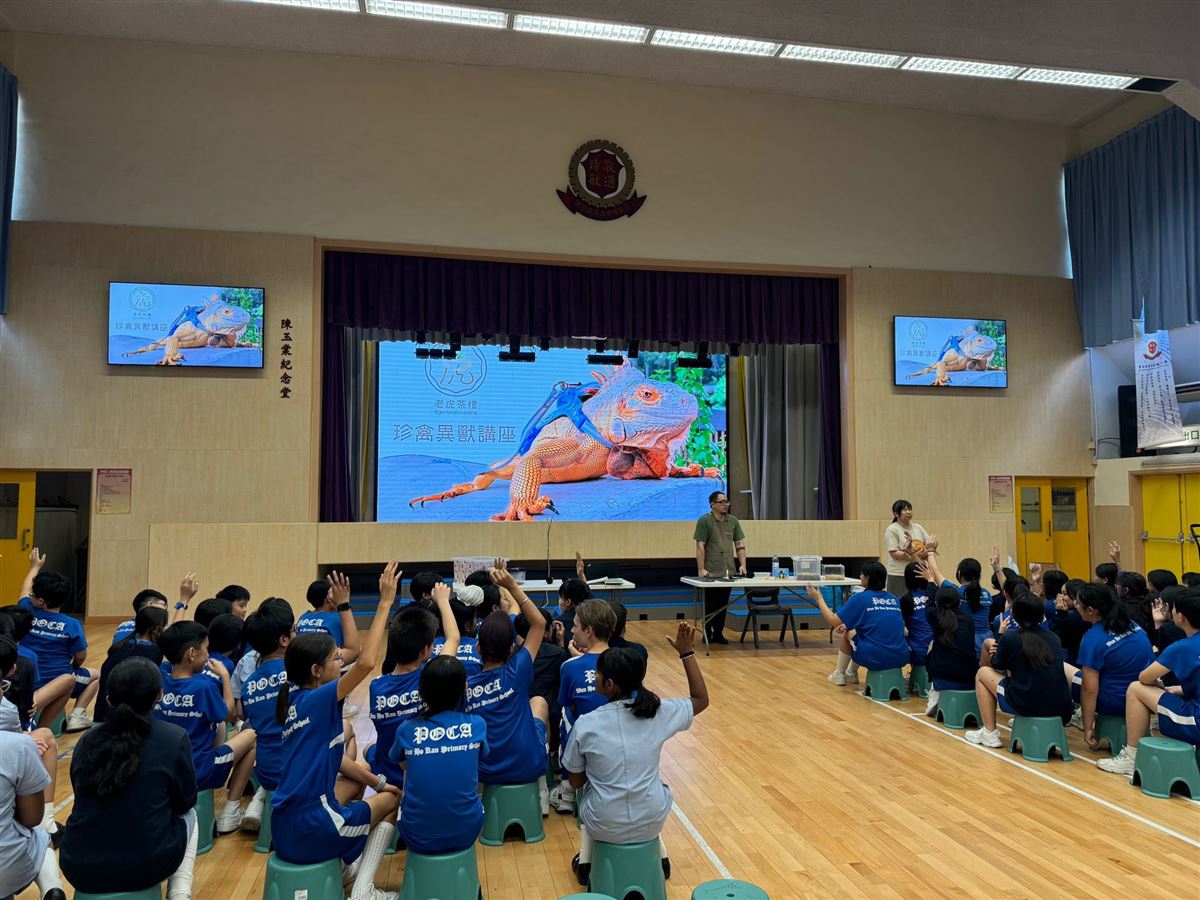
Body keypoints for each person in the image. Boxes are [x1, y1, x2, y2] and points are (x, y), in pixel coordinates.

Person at [271, 564, 402, 900]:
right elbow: (366, 662)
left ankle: (342, 868)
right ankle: (364, 890)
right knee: (392, 801)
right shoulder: (320, 699)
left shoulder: (294, 699)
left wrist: (376, 782)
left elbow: (336, 759)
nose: (341, 662)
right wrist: (385, 602)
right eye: (335, 659)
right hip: (313, 828)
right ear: (316, 670)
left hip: (283, 827)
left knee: (359, 782)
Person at [563, 621, 709, 887]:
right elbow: (701, 700)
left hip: (603, 823)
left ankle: (587, 859)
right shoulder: (658, 711)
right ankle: (658, 856)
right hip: (652, 820)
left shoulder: (587, 724)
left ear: (609, 684)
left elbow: (575, 782)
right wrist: (686, 653)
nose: (594, 676)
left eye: (597, 673)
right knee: (655, 784)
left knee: (587, 789)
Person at [61, 657, 198, 899]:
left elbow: (80, 793)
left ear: (108, 699)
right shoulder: (174, 738)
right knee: (191, 814)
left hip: (79, 866)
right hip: (145, 866)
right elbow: (186, 801)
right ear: (159, 695)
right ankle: (179, 891)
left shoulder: (86, 741)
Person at [155, 621, 257, 835]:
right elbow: (230, 714)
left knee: (215, 724)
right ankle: (231, 808)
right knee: (252, 736)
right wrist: (225, 677)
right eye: (206, 649)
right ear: (192, 654)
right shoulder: (204, 686)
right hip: (198, 770)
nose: (208, 654)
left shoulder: (161, 682)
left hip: (164, 768)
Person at [465, 567, 550, 811]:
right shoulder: (518, 669)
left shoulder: (466, 685)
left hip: (485, 770)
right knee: (539, 703)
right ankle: (542, 792)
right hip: (528, 764)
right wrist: (512, 586)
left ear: (478, 649)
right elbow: (539, 623)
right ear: (512, 649)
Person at [389, 655, 488, 855]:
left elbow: (399, 763)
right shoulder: (477, 724)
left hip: (416, 835)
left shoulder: (406, 729)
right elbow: (481, 758)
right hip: (467, 832)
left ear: (421, 691)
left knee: (408, 765)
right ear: (465, 688)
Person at [367, 582, 458, 796]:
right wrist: (443, 601)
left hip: (389, 772)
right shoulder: (432, 678)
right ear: (425, 651)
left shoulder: (376, 686)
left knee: (368, 748)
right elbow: (453, 638)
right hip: (419, 775)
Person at [1098, 588, 1200, 775]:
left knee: (1136, 689)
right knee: (1170, 691)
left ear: (1181, 617)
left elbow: (1144, 677)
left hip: (1195, 722)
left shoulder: (1182, 647)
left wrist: (1159, 687)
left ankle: (1132, 757)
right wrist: (1180, 689)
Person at [965, 586, 1073, 748]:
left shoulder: (1011, 638)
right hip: (1062, 709)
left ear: (1014, 615)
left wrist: (998, 640)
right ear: (1041, 614)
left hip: (1028, 705)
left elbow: (997, 664)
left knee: (982, 673)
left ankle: (989, 732)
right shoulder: (1053, 637)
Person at [0, 672, 67, 900]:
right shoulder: (19, 745)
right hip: (5, 869)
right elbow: (31, 819)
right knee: (40, 832)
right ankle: (52, 888)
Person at [1063, 584, 1155, 749]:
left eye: (1078, 603)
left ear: (1091, 610)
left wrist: (1088, 727)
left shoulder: (1093, 638)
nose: (1076, 606)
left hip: (1115, 702)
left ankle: (1074, 716)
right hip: (1143, 698)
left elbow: (1089, 689)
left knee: (1062, 667)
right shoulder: (1133, 625)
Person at [18, 566, 99, 733]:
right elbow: (80, 656)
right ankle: (76, 716)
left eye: (32, 594)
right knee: (96, 676)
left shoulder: (26, 610)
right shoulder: (72, 625)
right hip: (53, 681)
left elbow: (24, 589)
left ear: (41, 601)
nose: (29, 595)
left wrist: (35, 566)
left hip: (22, 679)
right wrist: (75, 665)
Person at [237, 602, 296, 833]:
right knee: (345, 732)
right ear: (284, 640)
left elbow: (243, 717)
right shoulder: (299, 672)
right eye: (294, 631)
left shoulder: (248, 685)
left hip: (266, 770)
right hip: (298, 769)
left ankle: (261, 800)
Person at [0, 635, 63, 841]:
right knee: (44, 739)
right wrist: (25, 741)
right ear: (11, 670)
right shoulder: (7, 709)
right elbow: (30, 820)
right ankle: (48, 822)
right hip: (10, 849)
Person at [808, 561, 908, 686]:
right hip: (901, 656)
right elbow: (879, 621)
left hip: (876, 658)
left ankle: (839, 674)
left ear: (868, 578)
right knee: (859, 631)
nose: (860, 576)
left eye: (862, 574)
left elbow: (833, 620)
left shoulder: (860, 598)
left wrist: (818, 597)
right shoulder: (894, 599)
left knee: (848, 632)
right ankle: (851, 673)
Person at [95, 605, 167, 723]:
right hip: (128, 719)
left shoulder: (120, 646)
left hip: (102, 714)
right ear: (157, 629)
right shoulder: (153, 652)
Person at [693, 490, 747, 644]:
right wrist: (701, 569)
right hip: (710, 571)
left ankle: (718, 632)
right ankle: (707, 632)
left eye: (726, 501)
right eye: (721, 502)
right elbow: (700, 546)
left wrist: (743, 565)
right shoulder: (704, 521)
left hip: (728, 570)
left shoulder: (733, 521)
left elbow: (739, 544)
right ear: (712, 504)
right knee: (710, 603)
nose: (725, 504)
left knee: (723, 604)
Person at [923, 585, 979, 716]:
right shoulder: (969, 621)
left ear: (937, 604)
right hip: (970, 678)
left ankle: (934, 692)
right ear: (959, 604)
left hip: (943, 677)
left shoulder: (935, 617)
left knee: (932, 645)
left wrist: (930, 583)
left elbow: (929, 604)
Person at [930, 553, 991, 653]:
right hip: (987, 640)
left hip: (967, 639)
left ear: (959, 573)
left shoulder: (956, 592)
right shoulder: (987, 594)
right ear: (979, 575)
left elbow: (935, 573)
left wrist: (930, 553)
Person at [299, 576, 362, 665]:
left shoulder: (302, 617)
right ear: (328, 598)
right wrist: (344, 604)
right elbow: (352, 651)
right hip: (324, 667)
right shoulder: (336, 619)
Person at [883, 500, 937, 597]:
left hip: (919, 572)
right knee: (899, 600)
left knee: (919, 599)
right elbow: (894, 554)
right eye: (905, 510)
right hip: (899, 573)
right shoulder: (892, 529)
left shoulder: (918, 527)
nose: (908, 512)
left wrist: (932, 546)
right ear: (896, 514)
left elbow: (928, 544)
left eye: (910, 509)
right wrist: (914, 554)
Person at [897, 562, 933, 690]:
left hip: (920, 654)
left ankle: (914, 675)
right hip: (940, 651)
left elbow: (900, 626)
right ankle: (918, 676)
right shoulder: (935, 595)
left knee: (898, 639)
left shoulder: (905, 599)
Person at [1048, 578, 1089, 664]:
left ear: (1075, 596)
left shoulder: (1074, 618)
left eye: (1064, 594)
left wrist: (1060, 614)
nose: (1060, 597)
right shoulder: (1075, 615)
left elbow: (1054, 638)